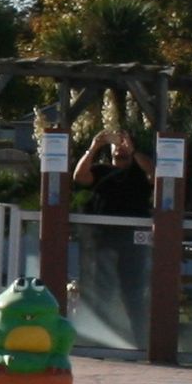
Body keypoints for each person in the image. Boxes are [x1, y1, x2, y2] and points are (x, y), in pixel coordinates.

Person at [72, 125, 154, 341]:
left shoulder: (139, 173)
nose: (120, 149)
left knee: (133, 292)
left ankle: (140, 341)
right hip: (103, 239)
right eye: (116, 146)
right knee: (102, 292)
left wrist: (134, 152)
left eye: (123, 144)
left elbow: (154, 175)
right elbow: (80, 177)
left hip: (133, 241)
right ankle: (99, 339)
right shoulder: (101, 171)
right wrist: (94, 147)